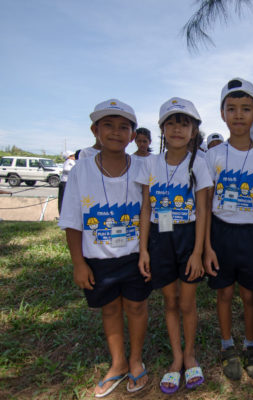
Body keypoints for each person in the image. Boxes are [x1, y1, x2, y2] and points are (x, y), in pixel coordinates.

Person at [59, 99, 151, 397]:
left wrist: (146, 251)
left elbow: (146, 212)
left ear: (133, 134)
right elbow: (72, 220)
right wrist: (79, 263)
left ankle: (136, 360)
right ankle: (118, 363)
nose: (116, 132)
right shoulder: (81, 170)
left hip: (135, 255)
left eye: (123, 127)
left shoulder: (141, 167)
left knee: (137, 307)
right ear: (95, 130)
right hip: (98, 258)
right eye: (108, 125)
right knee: (110, 310)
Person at [204, 78, 253, 381]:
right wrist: (207, 245)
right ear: (222, 114)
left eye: (245, 109)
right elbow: (207, 204)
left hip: (252, 235)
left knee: (250, 295)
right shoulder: (213, 155)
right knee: (223, 294)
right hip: (221, 233)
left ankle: (250, 345)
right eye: (231, 109)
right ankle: (227, 345)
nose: (238, 115)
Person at [137, 97, 212, 394]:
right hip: (159, 238)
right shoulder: (149, 164)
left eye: (185, 124)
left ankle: (190, 353)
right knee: (169, 302)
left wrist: (198, 252)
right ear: (162, 129)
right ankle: (176, 357)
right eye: (171, 123)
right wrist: (144, 249)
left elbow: (204, 210)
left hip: (188, 236)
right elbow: (145, 208)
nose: (178, 129)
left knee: (187, 302)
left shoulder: (200, 164)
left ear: (193, 131)